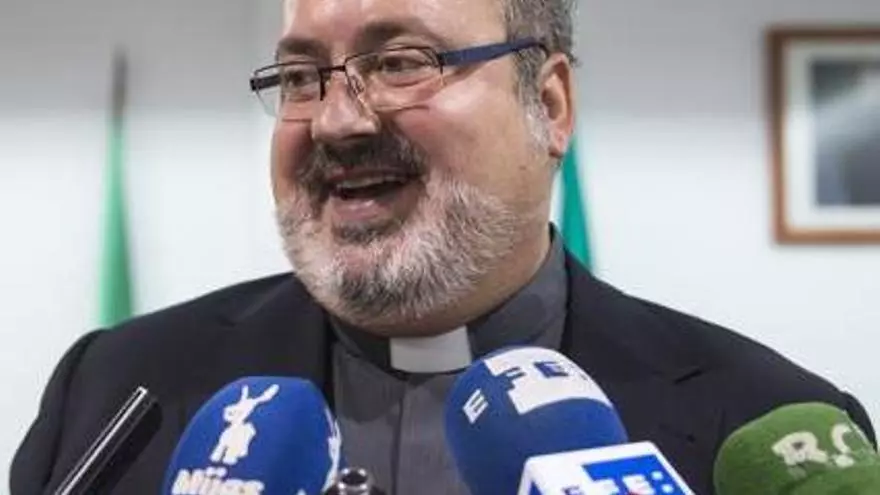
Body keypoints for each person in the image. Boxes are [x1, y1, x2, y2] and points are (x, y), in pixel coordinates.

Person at [11, 0, 875, 493]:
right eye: (301, 77)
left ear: (550, 106)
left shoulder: (767, 422)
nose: (338, 121)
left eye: (402, 62)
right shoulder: (114, 389)